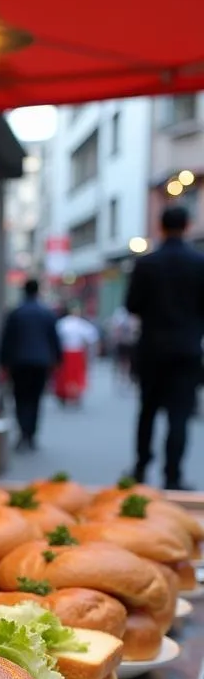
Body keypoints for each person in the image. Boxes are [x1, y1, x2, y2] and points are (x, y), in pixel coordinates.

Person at [125, 204, 204, 490]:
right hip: (186, 350)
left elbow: (132, 304)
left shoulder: (147, 264)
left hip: (152, 349)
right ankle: (173, 475)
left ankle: (141, 468)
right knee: (179, 416)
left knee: (147, 411)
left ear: (160, 226)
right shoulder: (199, 263)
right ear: (187, 226)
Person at [0, 277, 62, 452]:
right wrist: (57, 361)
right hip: (41, 362)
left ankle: (23, 432)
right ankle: (31, 433)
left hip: (19, 362)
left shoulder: (16, 313)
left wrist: (1, 362)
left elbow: (6, 340)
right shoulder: (46, 313)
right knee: (36, 398)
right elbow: (54, 340)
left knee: (19, 398)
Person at [53, 302, 99, 406]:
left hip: (73, 353)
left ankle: (71, 394)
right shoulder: (70, 323)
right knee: (71, 375)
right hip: (70, 353)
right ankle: (71, 394)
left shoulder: (64, 323)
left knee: (71, 375)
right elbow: (92, 338)